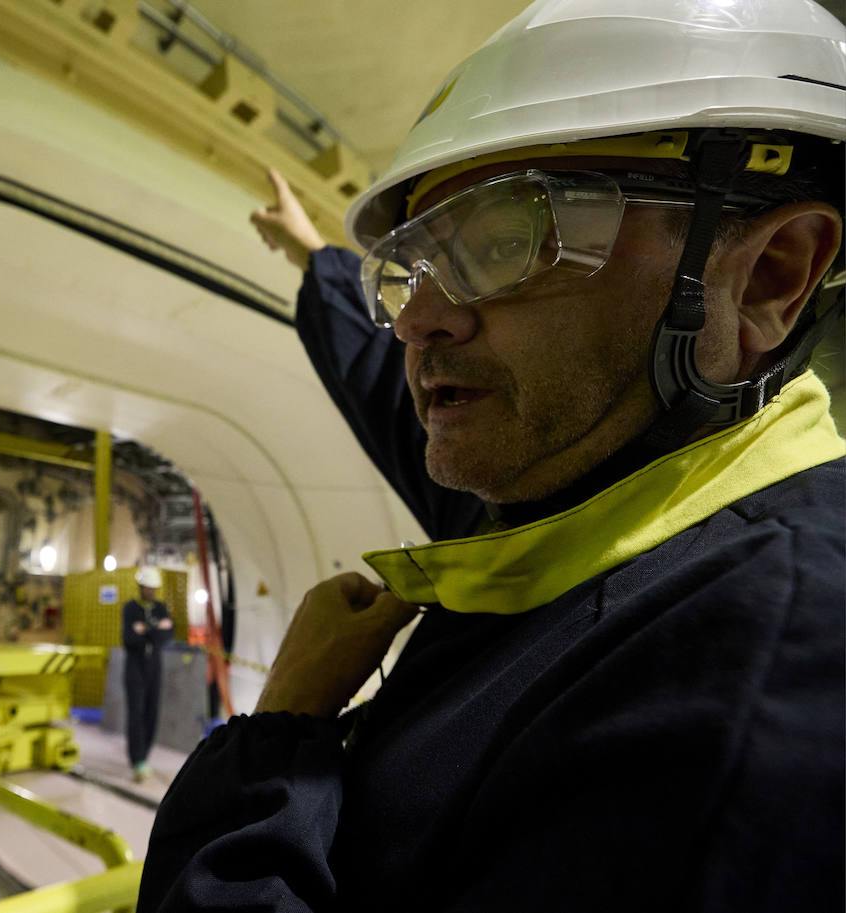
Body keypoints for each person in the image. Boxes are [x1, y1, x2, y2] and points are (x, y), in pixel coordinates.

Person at [138, 1, 845, 910]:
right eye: (414, 267)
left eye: (511, 240)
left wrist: (277, 738)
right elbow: (393, 392)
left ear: (771, 273)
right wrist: (317, 259)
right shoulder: (574, 495)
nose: (418, 321)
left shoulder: (763, 687)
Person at [123, 565, 174, 781]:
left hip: (154, 665)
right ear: (140, 587)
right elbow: (129, 639)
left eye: (153, 588)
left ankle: (145, 755)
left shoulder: (161, 608)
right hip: (135, 665)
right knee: (136, 711)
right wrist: (156, 630)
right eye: (147, 587)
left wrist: (146, 629)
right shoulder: (130, 608)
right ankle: (137, 760)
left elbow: (166, 635)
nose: (150, 591)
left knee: (152, 711)